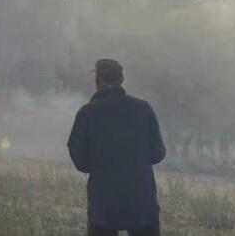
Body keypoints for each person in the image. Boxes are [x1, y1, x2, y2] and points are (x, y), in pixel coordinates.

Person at [68, 59, 167, 236]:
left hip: (104, 201)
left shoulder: (88, 112)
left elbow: (80, 159)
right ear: (121, 80)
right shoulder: (143, 109)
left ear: (98, 80)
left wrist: (100, 165)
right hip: (141, 199)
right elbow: (158, 153)